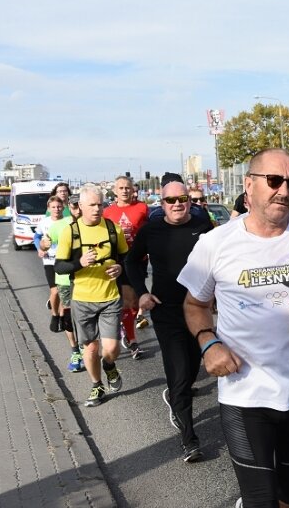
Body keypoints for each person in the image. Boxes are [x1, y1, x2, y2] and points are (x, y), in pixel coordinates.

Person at [177, 148, 289, 508]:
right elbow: (194, 304)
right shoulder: (215, 243)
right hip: (244, 393)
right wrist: (208, 343)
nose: (284, 190)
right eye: (274, 180)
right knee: (261, 499)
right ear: (249, 185)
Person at [125, 181, 213, 463]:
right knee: (178, 370)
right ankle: (190, 439)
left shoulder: (203, 226)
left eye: (182, 198)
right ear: (161, 204)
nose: (177, 204)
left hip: (199, 309)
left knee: (193, 365)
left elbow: (222, 261)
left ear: (189, 200)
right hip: (166, 310)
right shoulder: (151, 230)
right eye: (170, 200)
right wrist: (141, 293)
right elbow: (131, 261)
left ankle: (177, 397)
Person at [54, 184, 129, 407]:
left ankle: (109, 366)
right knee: (91, 347)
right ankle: (97, 385)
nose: (97, 209)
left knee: (112, 349)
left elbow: (126, 258)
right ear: (81, 206)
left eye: (100, 204)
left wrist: (120, 268)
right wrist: (80, 263)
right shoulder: (71, 231)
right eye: (92, 205)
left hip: (110, 298)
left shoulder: (113, 228)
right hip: (83, 300)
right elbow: (59, 267)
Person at [103, 175, 148, 359]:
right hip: (117, 260)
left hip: (138, 259)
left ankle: (128, 331)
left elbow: (149, 231)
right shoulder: (107, 212)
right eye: (120, 188)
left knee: (134, 302)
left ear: (133, 190)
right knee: (121, 300)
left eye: (127, 188)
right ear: (115, 191)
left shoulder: (142, 208)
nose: (124, 191)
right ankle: (131, 338)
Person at [43, 194, 85, 372]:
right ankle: (75, 350)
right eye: (74, 207)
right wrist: (43, 246)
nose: (77, 210)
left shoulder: (93, 225)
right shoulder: (61, 224)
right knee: (67, 317)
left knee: (85, 317)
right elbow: (44, 244)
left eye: (79, 206)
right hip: (65, 279)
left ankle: (88, 346)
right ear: (70, 207)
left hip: (87, 279)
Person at [34, 196, 65, 332]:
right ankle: (55, 315)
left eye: (58, 206)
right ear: (49, 208)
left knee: (64, 292)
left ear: (63, 207)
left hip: (64, 260)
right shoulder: (44, 222)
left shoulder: (67, 222)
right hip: (49, 260)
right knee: (55, 291)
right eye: (53, 207)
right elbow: (36, 236)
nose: (56, 209)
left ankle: (64, 316)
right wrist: (39, 248)